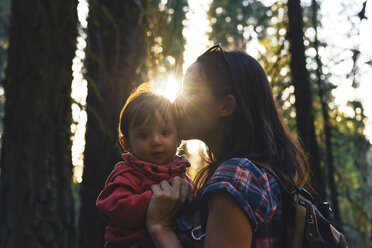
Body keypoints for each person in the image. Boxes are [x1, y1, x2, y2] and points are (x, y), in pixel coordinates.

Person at [145, 44, 310, 248]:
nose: (176, 101)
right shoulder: (260, 171)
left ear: (226, 106)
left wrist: (159, 225)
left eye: (191, 91)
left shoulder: (236, 176)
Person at [96, 83, 192, 248]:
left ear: (178, 138)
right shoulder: (128, 174)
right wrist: (154, 198)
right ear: (127, 144)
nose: (156, 141)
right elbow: (113, 206)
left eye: (165, 132)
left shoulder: (181, 173)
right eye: (144, 135)